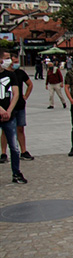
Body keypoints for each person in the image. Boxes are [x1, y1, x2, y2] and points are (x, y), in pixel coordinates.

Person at [0, 49, 27, 183]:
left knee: (14, 147)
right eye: (5, 58)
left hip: (9, 114)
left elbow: (16, 93)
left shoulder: (11, 75)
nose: (8, 61)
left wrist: (9, 110)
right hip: (2, 112)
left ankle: (16, 172)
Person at [1, 53, 34, 161]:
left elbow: (30, 84)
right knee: (5, 130)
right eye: (13, 61)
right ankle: (3, 153)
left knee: (20, 128)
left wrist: (25, 96)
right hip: (5, 105)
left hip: (19, 104)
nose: (14, 63)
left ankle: (23, 151)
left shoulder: (20, 73)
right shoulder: (5, 74)